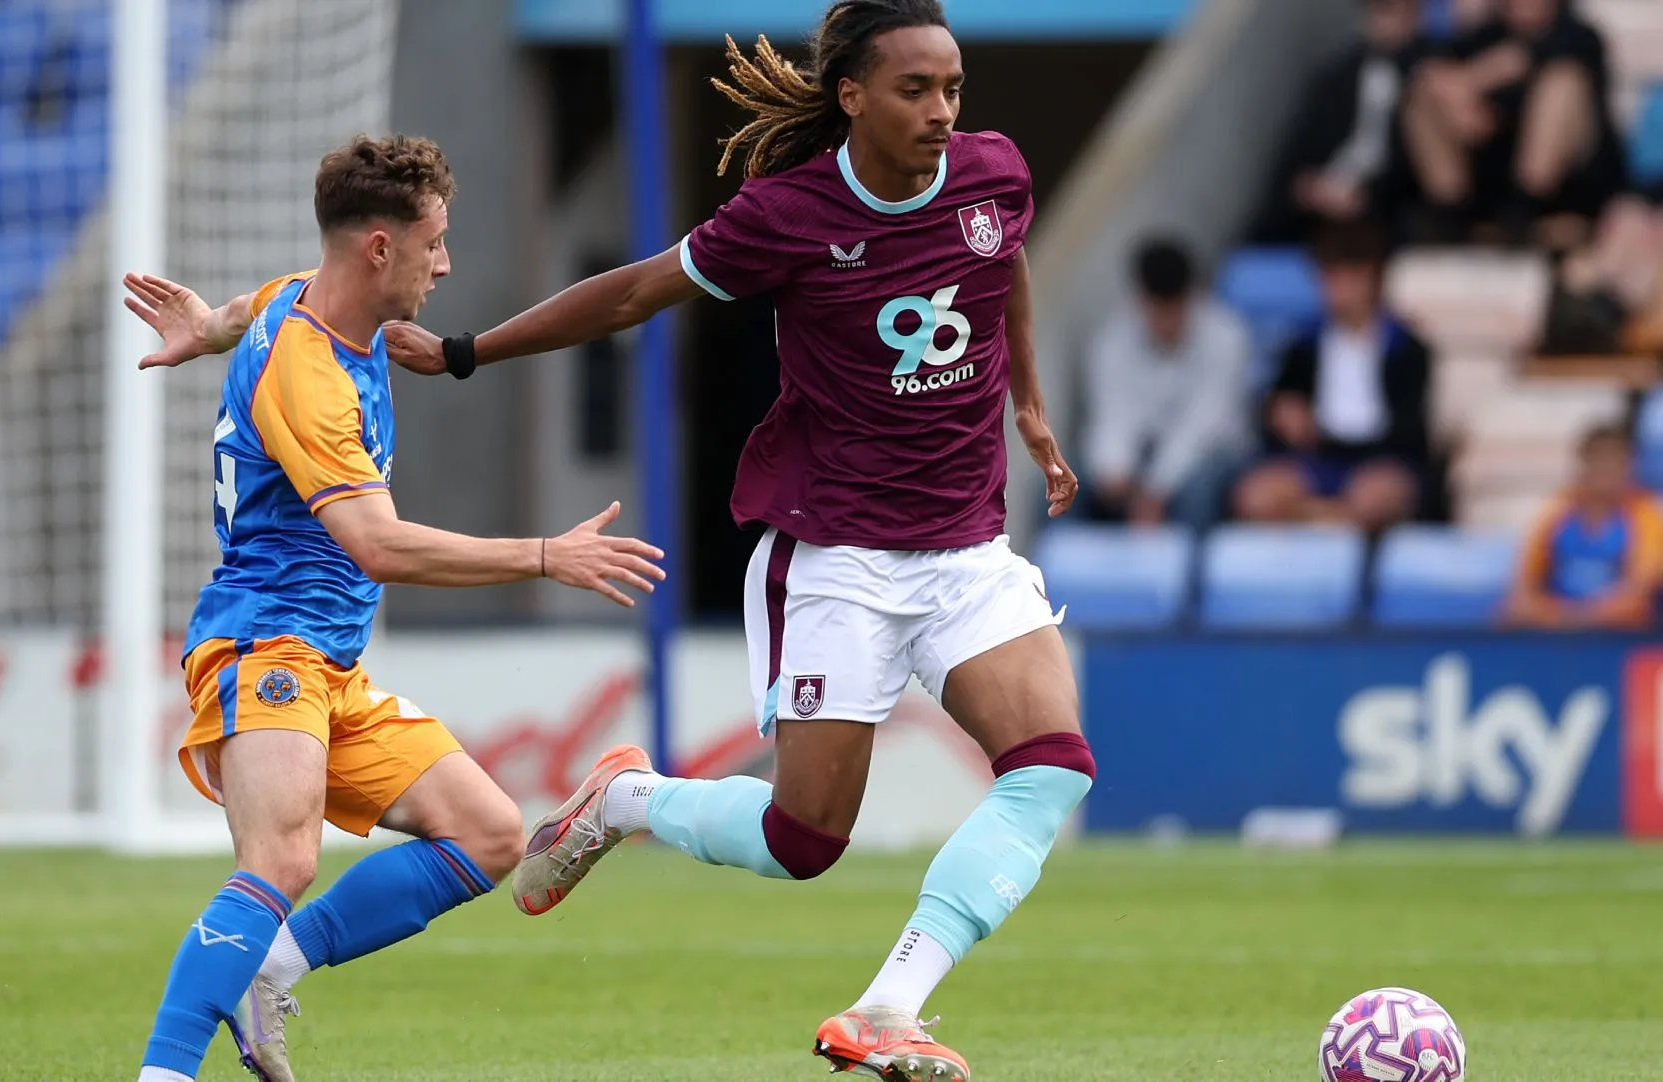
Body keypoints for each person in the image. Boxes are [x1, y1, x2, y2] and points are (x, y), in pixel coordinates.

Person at [386, 4, 1093, 1079]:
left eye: (952, 87)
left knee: (1049, 769)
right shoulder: (788, 215)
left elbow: (1003, 266)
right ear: (852, 96)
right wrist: (467, 350)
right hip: (841, 556)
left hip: (965, 551)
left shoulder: (993, 172)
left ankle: (887, 1007)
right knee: (805, 840)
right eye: (916, 89)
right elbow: (631, 291)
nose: (944, 112)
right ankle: (628, 798)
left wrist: (1030, 408)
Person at [120, 135, 665, 1082]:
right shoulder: (310, 375)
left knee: (490, 834)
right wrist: (546, 554)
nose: (446, 263)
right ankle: (163, 1074)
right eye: (433, 242)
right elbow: (379, 543)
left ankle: (270, 971)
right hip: (264, 644)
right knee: (282, 861)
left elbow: (257, 305)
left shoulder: (306, 295)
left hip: (331, 660)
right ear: (378, 247)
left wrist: (209, 326)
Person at [1232, 221, 1433, 532]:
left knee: (1372, 500)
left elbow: (1413, 429)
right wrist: (1281, 412)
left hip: (1380, 458)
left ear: (1370, 278)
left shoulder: (1407, 348)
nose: (1335, 290)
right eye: (1328, 278)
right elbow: (1274, 404)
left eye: (1345, 278)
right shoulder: (1303, 345)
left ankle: (1329, 526)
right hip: (1315, 459)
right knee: (1257, 497)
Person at [1402, 0, 1626, 247]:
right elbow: (1419, 62)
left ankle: (1528, 208)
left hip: (1566, 188)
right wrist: (1458, 103)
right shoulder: (1484, 37)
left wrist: (1471, 81)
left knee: (1561, 85)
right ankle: (1449, 214)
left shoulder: (1578, 36)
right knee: (1423, 97)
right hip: (1489, 180)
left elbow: (1531, 56)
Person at [1081, 237, 1252, 531]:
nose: (1166, 321)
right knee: (1059, 481)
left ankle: (1187, 574)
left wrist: (1156, 487)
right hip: (1141, 452)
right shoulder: (1112, 340)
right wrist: (1114, 467)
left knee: (1196, 490)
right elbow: (1113, 414)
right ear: (1141, 301)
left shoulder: (1226, 337)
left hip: (1213, 454)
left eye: (1174, 309)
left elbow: (1202, 425)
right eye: (1157, 310)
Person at [1253, 0, 1428, 244]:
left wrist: (1367, 194)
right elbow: (1300, 144)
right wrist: (1308, 186)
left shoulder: (1430, 73)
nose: (1384, 22)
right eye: (1378, 11)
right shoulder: (1338, 76)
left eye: (1394, 12)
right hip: (1327, 191)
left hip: (1386, 202)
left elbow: (1413, 159)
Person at [1501, 424, 1663, 630]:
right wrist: (1557, 615)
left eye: (1614, 464)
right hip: (1557, 625)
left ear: (1628, 468)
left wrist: (1583, 617)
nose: (1605, 472)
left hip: (1615, 631)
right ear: (1583, 465)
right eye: (1598, 463)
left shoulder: (1645, 516)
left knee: (1634, 609)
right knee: (1512, 609)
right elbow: (1524, 585)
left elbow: (1639, 589)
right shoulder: (1556, 512)